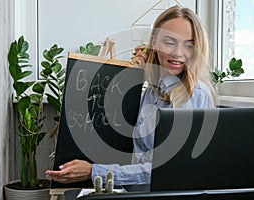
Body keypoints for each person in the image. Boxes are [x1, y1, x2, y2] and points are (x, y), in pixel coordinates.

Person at [45, 5, 216, 186]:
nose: (178, 53)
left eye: (189, 45)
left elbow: (168, 168)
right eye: (170, 42)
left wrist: (94, 171)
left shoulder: (193, 94)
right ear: (154, 41)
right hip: (141, 191)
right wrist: (132, 78)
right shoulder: (152, 91)